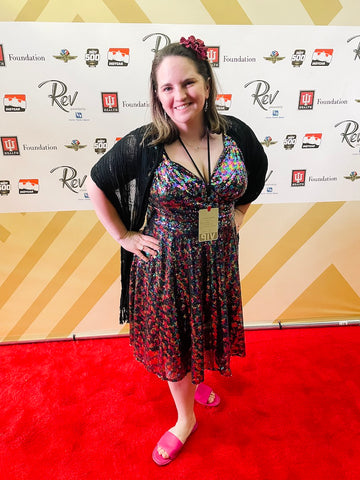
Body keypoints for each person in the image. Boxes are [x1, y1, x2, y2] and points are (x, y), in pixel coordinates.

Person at [86, 35, 268, 466]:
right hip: (167, 265)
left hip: (218, 257)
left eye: (187, 83)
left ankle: (199, 379)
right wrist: (124, 237)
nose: (178, 95)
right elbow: (96, 184)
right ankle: (184, 418)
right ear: (157, 95)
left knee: (204, 328)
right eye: (166, 88)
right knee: (178, 341)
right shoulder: (145, 143)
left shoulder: (236, 133)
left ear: (206, 84)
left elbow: (256, 175)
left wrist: (237, 214)